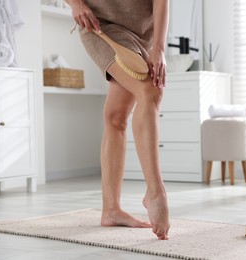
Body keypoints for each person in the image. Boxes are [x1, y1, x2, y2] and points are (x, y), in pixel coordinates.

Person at [65, 0, 170, 240]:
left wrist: (159, 48)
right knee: (151, 91)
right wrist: (75, 4)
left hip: (144, 33)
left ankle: (111, 210)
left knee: (116, 116)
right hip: (101, 25)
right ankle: (156, 193)